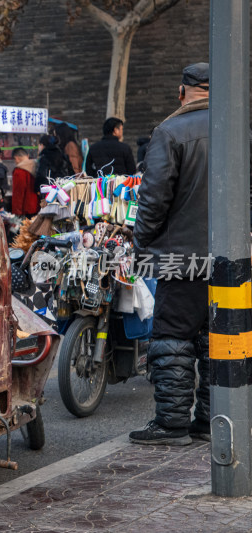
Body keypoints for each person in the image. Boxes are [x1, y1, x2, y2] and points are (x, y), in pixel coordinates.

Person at [129, 62, 211, 446]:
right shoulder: (239, 130)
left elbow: (153, 198)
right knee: (219, 336)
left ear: (182, 92)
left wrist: (142, 243)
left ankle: (172, 422)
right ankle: (214, 419)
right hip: (232, 260)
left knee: (172, 337)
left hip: (182, 257)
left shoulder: (169, 131)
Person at [10, 148, 38, 216]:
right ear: (27, 156)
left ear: (16, 158)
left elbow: (18, 193)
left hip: (26, 208)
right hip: (37, 206)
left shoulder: (19, 171)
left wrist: (16, 212)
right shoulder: (36, 165)